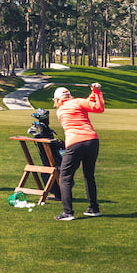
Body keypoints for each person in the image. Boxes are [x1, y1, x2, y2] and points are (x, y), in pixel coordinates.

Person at [52, 83, 105, 221]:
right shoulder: (78, 102)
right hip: (92, 141)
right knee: (89, 175)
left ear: (58, 100)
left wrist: (94, 92)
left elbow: (88, 103)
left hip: (75, 143)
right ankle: (94, 208)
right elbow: (97, 107)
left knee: (65, 178)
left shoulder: (61, 110)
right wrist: (97, 92)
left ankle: (68, 213)